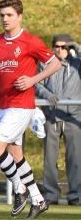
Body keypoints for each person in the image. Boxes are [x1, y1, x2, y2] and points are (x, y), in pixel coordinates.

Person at [0, 0, 61, 219]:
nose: (5, 19)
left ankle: (19, 188)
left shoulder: (30, 41)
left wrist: (33, 80)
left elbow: (55, 63)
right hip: (3, 105)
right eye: (2, 15)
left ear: (19, 16)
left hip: (21, 106)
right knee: (17, 156)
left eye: (9, 15)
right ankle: (38, 199)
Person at [35, 34, 81, 206]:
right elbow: (35, 82)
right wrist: (46, 94)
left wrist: (78, 49)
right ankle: (51, 194)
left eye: (65, 47)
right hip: (52, 116)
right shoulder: (45, 63)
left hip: (74, 116)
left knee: (75, 158)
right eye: (57, 46)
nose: (60, 50)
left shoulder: (77, 64)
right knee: (49, 157)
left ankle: (75, 195)